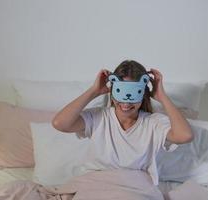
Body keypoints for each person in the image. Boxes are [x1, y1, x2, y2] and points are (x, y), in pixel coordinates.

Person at [52, 60, 193, 187]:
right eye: (121, 92)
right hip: (96, 184)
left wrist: (162, 97)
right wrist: (94, 91)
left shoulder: (153, 123)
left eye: (134, 94)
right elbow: (60, 123)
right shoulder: (98, 117)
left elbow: (185, 136)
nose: (126, 102)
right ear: (112, 93)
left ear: (143, 95)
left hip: (136, 187)